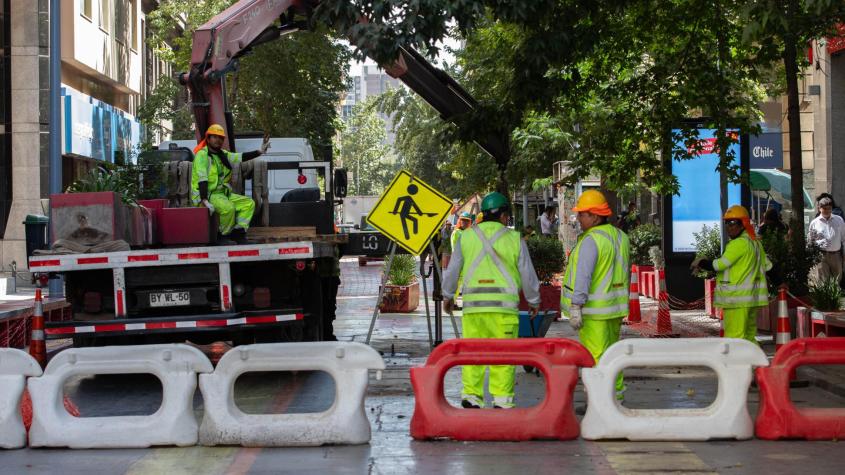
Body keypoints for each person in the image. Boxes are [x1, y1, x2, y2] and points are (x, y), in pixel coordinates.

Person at [443, 192, 540, 409]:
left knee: (471, 351)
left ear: (484, 214)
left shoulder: (466, 237)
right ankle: (502, 399)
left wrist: (448, 296)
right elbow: (527, 272)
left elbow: (452, 270)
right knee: (504, 353)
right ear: (505, 215)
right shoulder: (514, 239)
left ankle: (472, 396)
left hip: (473, 309)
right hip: (504, 310)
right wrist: (534, 301)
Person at [561, 190, 630, 400]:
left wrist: (575, 306)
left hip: (594, 312)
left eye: (583, 214)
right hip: (615, 309)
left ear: (595, 216)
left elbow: (584, 275)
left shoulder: (591, 240)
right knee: (613, 357)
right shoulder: (620, 236)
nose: (579, 218)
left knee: (595, 358)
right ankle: (616, 399)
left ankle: (599, 405)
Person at [691, 205, 770, 344]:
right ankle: (755, 364)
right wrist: (780, 282)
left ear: (743, 224)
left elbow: (719, 265)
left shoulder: (738, 244)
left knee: (735, 338)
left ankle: (738, 365)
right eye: (726, 222)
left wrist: (701, 262)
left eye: (733, 223)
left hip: (736, 300)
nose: (729, 226)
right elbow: (768, 265)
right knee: (749, 338)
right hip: (751, 300)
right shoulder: (755, 243)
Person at [191, 124, 269, 243]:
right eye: (215, 137)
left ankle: (238, 234)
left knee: (248, 203)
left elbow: (240, 157)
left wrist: (260, 151)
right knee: (228, 208)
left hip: (222, 194)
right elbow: (202, 179)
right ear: (208, 138)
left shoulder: (222, 154)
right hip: (207, 195)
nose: (218, 140)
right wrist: (204, 200)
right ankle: (222, 237)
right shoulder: (202, 155)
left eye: (221, 138)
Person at [808, 196, 845, 283]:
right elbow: (810, 240)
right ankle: (824, 296)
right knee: (823, 281)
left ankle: (834, 297)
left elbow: (844, 238)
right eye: (824, 208)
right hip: (821, 255)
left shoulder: (839, 220)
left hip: (836, 255)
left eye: (829, 208)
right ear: (819, 208)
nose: (827, 210)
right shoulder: (815, 223)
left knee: (837, 281)